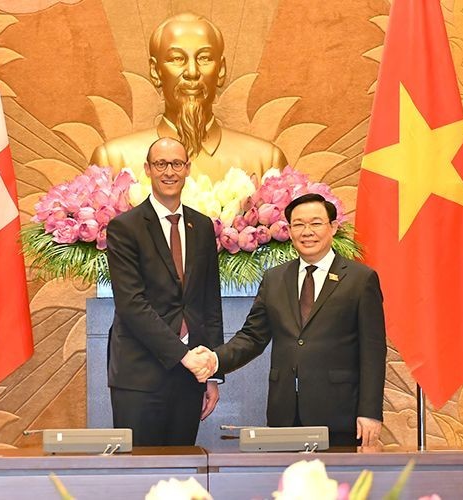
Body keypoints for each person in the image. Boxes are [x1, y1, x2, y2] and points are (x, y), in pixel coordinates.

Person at [193, 193, 387, 447]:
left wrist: (370, 412)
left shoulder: (360, 280)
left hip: (341, 415)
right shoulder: (275, 278)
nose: (307, 232)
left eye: (316, 223)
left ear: (333, 227)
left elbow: (373, 352)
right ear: (289, 230)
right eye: (298, 224)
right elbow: (252, 337)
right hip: (284, 414)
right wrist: (215, 360)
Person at [105, 137, 223, 446]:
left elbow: (210, 302)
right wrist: (184, 356)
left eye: (176, 164)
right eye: (160, 164)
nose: (169, 171)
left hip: (190, 378)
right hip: (140, 377)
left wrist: (211, 370)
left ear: (187, 169)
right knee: (140, 477)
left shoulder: (203, 226)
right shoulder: (124, 227)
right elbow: (132, 305)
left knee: (182, 477)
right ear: (147, 169)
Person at [90, 12, 287, 183]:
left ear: (221, 70)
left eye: (204, 58)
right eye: (177, 59)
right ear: (155, 71)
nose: (192, 72)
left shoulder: (265, 162)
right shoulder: (114, 162)